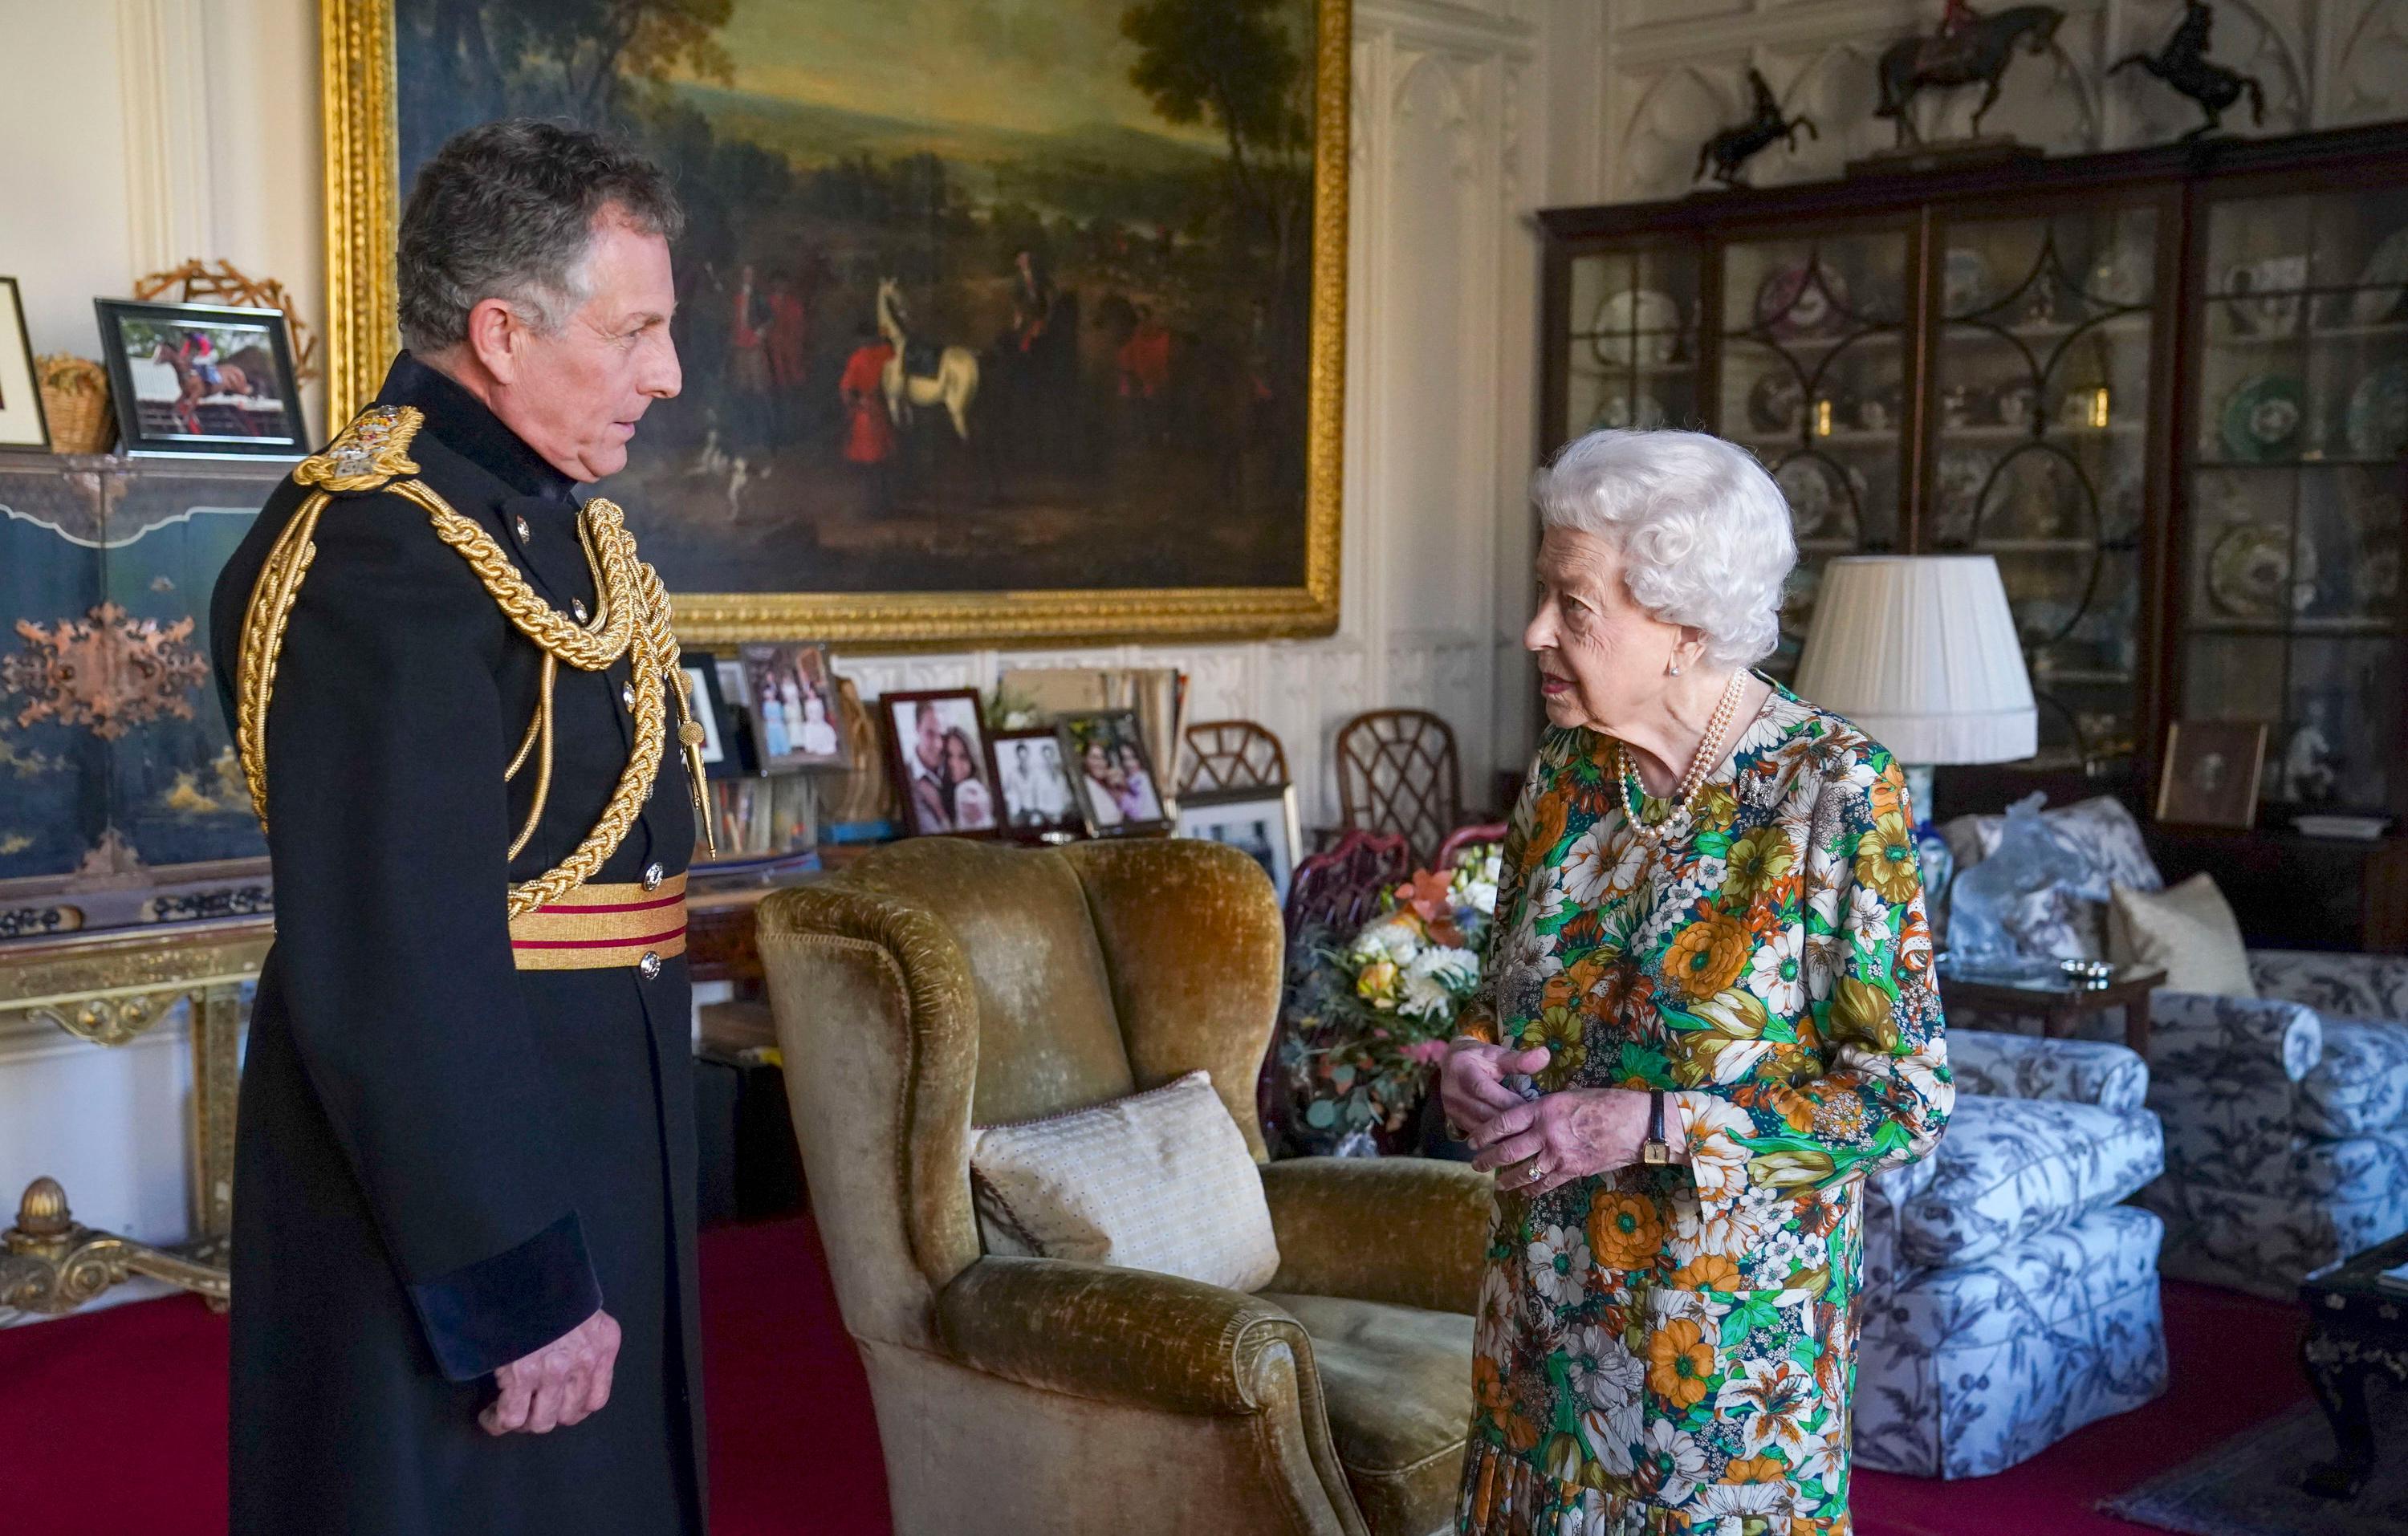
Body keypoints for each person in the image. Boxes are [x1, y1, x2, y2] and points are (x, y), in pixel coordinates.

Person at [205, 120, 711, 1536]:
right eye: (637, 332)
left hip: (588, 1129)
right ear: (500, 329)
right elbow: (393, 957)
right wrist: (514, 1277)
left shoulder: (548, 523)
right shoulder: (376, 547)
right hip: (452, 1194)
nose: (667, 373)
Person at [1444, 429, 1952, 1535]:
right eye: (1545, 593)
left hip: (1722, 1373)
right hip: (1538, 1337)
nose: (1534, 631)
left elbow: (1903, 1097)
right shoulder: (1566, 775)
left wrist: (1659, 1123)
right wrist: (1472, 1061)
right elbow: (1500, 992)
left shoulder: (1833, 791)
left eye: (1574, 605)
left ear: (1684, 628)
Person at [905, 701, 954, 833]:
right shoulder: (905, 776)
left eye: (943, 735)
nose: (938, 744)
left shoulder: (957, 768)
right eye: (930, 734)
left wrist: (939, 809)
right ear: (917, 728)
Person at [942, 727, 995, 831]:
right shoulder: (943, 792)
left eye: (962, 757)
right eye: (949, 755)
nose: (954, 764)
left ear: (972, 760)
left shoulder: (968, 789)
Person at [1078, 739, 1125, 828]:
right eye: (1095, 758)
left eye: (1103, 758)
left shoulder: (1109, 786)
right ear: (1085, 759)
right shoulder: (1085, 786)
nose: (1100, 763)